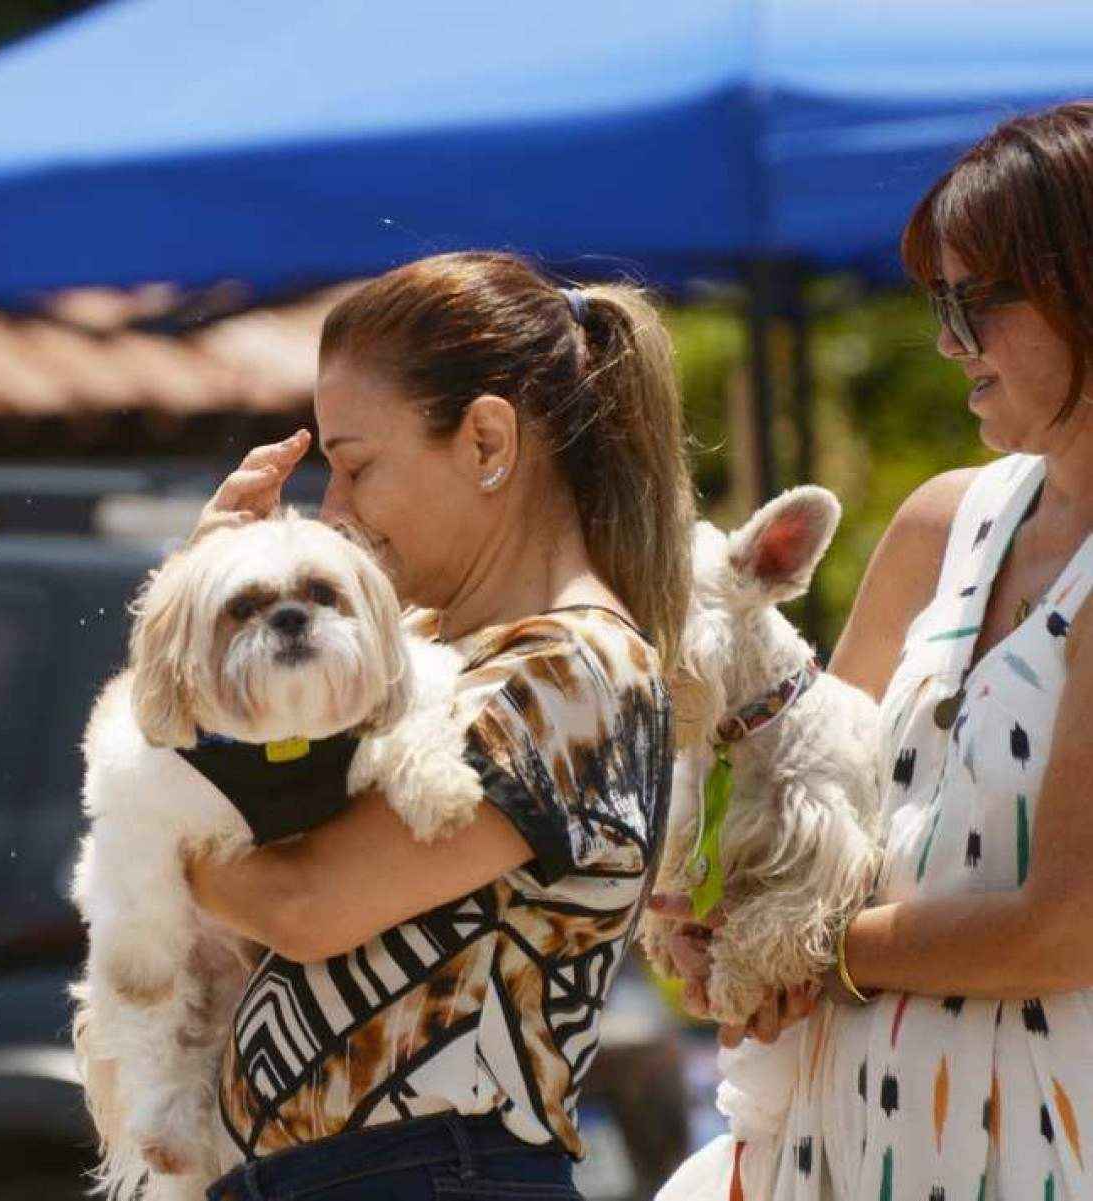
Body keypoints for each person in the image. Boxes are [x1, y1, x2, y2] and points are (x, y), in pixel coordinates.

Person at [181, 251, 694, 1200]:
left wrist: (161, 839)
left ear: (488, 441)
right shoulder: (435, 655)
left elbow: (302, 906)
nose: (333, 513)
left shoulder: (573, 668)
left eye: (357, 467)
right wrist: (205, 611)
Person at [657, 100, 1093, 1201]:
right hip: (827, 1138)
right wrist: (708, 912)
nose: (948, 341)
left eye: (973, 301)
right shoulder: (943, 522)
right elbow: (794, 785)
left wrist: (809, 947)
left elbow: (1062, 929)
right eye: (935, 303)